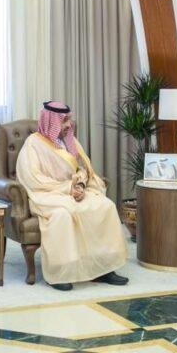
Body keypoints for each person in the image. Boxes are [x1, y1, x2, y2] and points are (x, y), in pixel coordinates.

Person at [16, 101, 129, 290]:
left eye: (69, 119)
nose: (69, 125)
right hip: (47, 194)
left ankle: (103, 269)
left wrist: (81, 185)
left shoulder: (70, 141)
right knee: (63, 214)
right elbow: (33, 178)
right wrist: (68, 188)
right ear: (51, 121)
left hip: (74, 191)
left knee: (105, 206)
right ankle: (60, 273)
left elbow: (83, 169)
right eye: (64, 121)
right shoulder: (33, 144)